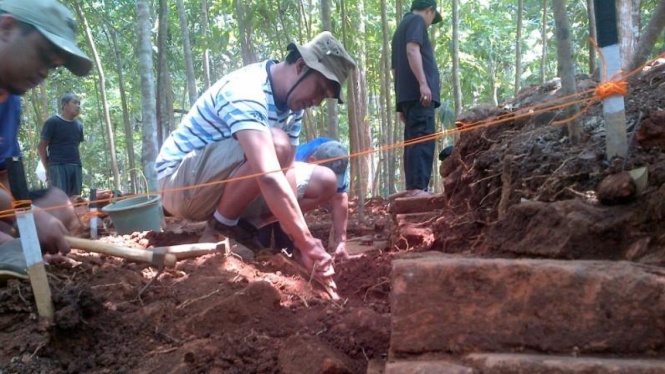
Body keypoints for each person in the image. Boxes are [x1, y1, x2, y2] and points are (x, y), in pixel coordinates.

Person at [156, 32, 356, 281]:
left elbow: (287, 172)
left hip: (221, 180)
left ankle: (243, 228)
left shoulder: (294, 108)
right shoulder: (248, 89)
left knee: (326, 181)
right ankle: (220, 230)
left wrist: (295, 237)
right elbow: (270, 176)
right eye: (319, 90)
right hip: (181, 184)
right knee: (275, 143)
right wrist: (307, 242)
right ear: (301, 66)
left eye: (324, 98)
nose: (316, 102)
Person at [0, 0, 92, 279]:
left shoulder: (10, 103)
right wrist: (24, 217)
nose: (43, 73)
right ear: (7, 28)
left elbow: (4, 179)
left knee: (58, 203)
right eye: (41, 55)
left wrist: (21, 219)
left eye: (52, 67)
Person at [203, 138, 356, 262]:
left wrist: (341, 241)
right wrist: (304, 242)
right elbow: (280, 198)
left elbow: (340, 197)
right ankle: (240, 232)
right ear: (312, 160)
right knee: (265, 233)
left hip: (289, 198)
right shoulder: (296, 155)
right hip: (260, 190)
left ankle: (282, 251)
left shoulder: (338, 160)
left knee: (286, 237)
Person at [392, 0, 442, 198]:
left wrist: (399, 103)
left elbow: (396, 70)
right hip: (419, 95)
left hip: (408, 96)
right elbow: (412, 50)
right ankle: (419, 189)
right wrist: (423, 83)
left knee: (413, 140)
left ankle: (413, 188)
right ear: (429, 10)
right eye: (432, 18)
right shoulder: (417, 21)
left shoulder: (401, 28)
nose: (430, 23)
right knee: (423, 138)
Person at [38, 93, 84, 197]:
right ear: (64, 104)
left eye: (79, 103)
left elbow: (75, 145)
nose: (78, 106)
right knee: (60, 199)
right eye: (74, 102)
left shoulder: (78, 125)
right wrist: (47, 168)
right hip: (58, 166)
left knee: (76, 198)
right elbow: (41, 146)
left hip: (75, 166)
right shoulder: (53, 122)